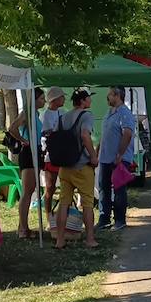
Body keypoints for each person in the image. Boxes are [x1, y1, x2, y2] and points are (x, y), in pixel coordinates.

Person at [53, 88, 99, 250]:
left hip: (65, 167)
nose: (90, 101)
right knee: (87, 202)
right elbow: (85, 135)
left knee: (64, 202)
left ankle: (60, 239)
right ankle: (90, 239)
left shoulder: (63, 117)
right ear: (83, 101)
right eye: (88, 98)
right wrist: (93, 156)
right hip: (82, 166)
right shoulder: (86, 115)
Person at [96, 86, 136, 231]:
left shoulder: (124, 113)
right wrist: (97, 151)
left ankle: (120, 219)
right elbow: (104, 134)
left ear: (117, 95)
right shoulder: (109, 113)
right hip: (105, 158)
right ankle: (104, 218)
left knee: (119, 189)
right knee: (103, 188)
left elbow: (127, 134)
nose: (108, 98)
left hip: (119, 159)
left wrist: (120, 154)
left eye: (110, 95)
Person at [7, 87, 45, 239]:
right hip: (28, 153)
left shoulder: (35, 114)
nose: (44, 101)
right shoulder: (27, 113)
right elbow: (12, 128)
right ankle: (23, 228)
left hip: (36, 151)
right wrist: (24, 141)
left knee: (31, 189)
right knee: (27, 192)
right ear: (34, 100)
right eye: (41, 99)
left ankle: (22, 226)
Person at [40, 86, 67, 217]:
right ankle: (48, 215)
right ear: (55, 99)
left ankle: (63, 214)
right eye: (62, 97)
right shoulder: (45, 114)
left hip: (62, 154)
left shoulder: (62, 112)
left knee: (65, 187)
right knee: (50, 187)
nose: (64, 99)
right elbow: (46, 133)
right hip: (50, 156)